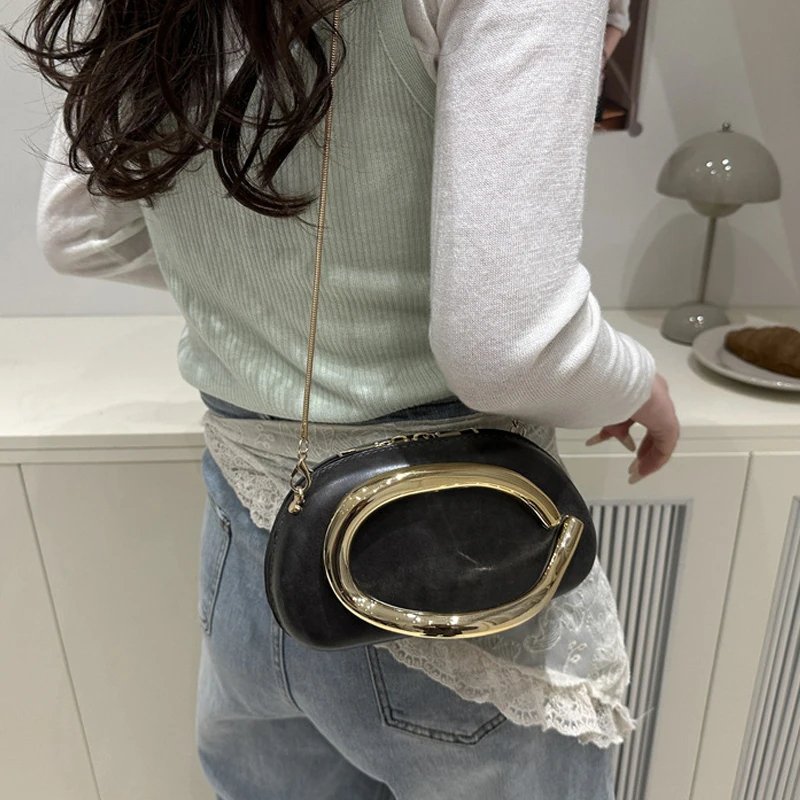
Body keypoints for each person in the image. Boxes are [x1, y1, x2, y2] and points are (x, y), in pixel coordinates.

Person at [16, 0, 680, 797]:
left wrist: (268, 299)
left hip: (247, 538)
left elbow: (79, 231)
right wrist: (637, 383)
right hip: (444, 552)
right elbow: (510, 349)